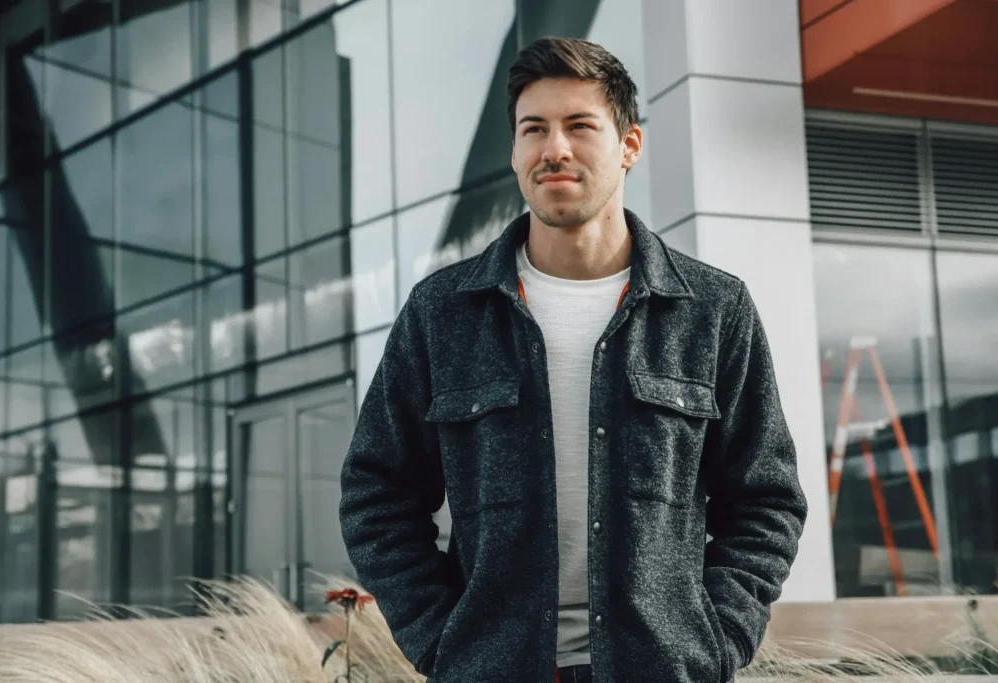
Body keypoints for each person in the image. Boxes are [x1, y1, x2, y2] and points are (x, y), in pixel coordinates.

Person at [339, 36, 807, 683]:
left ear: (629, 146)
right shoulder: (442, 312)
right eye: (534, 129)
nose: (553, 147)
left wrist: (714, 640)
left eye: (579, 125)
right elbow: (376, 491)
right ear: (515, 153)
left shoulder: (713, 309)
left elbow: (766, 499)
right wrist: (443, 642)